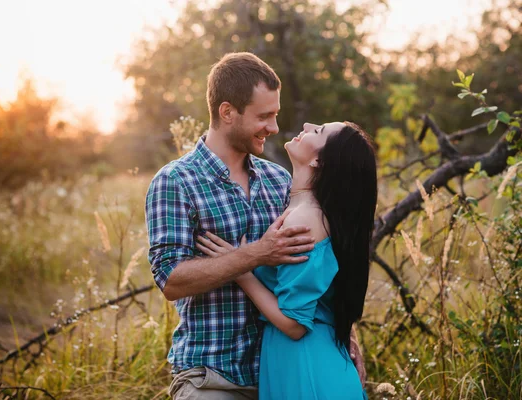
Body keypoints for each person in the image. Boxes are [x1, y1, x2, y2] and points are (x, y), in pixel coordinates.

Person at [145, 52, 364, 399]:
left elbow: (315, 272)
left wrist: (342, 333)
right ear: (227, 112)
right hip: (212, 376)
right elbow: (171, 280)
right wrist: (255, 255)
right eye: (264, 116)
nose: (275, 128)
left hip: (280, 370)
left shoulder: (280, 180)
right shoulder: (175, 181)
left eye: (275, 115)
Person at [197, 121, 377, 399]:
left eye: (318, 131)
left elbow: (295, 324)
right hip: (308, 358)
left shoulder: (306, 218)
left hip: (307, 365)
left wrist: (241, 270)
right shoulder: (300, 207)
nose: (306, 124)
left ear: (319, 160)